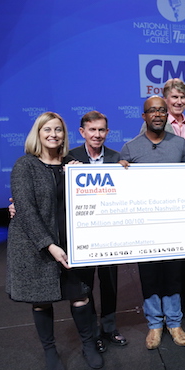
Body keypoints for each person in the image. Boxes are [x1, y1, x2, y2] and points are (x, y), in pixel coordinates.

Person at [6, 112, 103, 370]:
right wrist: (49, 245)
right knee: (41, 300)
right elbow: (25, 210)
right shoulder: (24, 165)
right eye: (47, 129)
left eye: (58, 129)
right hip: (37, 246)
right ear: (37, 133)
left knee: (80, 294)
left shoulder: (73, 164)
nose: (53, 134)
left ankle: (88, 345)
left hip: (72, 243)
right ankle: (50, 350)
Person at [118, 95, 185, 350]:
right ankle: (154, 324)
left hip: (174, 224)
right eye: (152, 111)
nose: (158, 115)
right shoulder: (130, 148)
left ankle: (174, 322)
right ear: (144, 116)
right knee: (149, 276)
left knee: (173, 275)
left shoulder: (180, 145)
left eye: (162, 110)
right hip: (145, 227)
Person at [140, 78, 185, 323]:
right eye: (174, 98)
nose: (178, 102)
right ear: (165, 101)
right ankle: (159, 310)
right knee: (160, 258)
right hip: (158, 203)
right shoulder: (152, 124)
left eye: (182, 98)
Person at [68, 111, 127, 351]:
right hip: (82, 233)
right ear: (82, 132)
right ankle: (93, 333)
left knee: (109, 281)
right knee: (86, 284)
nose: (97, 134)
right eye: (92, 130)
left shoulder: (116, 158)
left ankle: (109, 327)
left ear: (107, 132)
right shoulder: (71, 157)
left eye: (102, 130)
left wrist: (127, 173)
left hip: (109, 233)